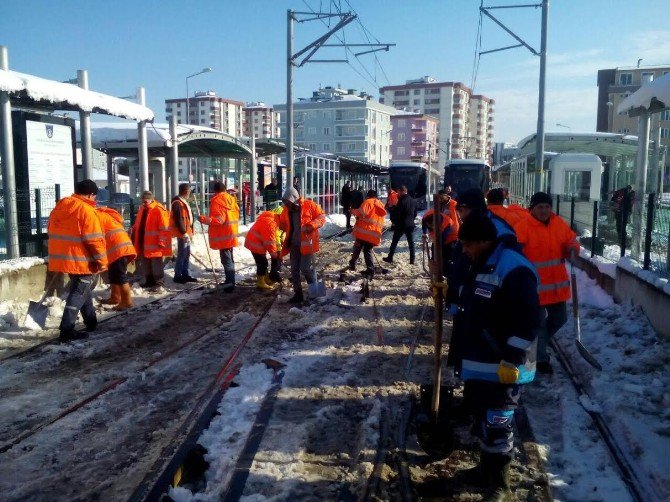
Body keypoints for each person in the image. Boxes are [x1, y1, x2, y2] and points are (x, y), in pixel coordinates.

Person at [453, 212, 541, 500]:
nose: (464, 251)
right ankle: (485, 470)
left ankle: (500, 483)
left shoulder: (513, 268)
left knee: (498, 422)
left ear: (484, 240)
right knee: (482, 418)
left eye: (467, 245)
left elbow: (529, 319)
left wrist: (512, 357)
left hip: (505, 364)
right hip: (483, 362)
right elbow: (474, 302)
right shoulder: (482, 262)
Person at [514, 191, 580, 374]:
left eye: (547, 207)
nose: (544, 210)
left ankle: (539, 344)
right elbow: (515, 252)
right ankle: (539, 360)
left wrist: (573, 249)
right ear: (532, 208)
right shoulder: (523, 227)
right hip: (533, 287)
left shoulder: (558, 223)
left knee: (560, 319)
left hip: (557, 286)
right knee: (539, 324)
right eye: (540, 207)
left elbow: (570, 240)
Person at [47, 179, 107, 341]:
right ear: (91, 194)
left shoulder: (61, 206)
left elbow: (50, 229)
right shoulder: (87, 211)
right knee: (78, 291)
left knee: (82, 289)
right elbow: (94, 240)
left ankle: (91, 321)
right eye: (95, 196)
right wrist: (101, 261)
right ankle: (66, 330)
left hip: (63, 257)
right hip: (82, 259)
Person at [278, 186, 326, 303]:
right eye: (285, 203)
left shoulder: (310, 205)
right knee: (294, 269)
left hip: (307, 243)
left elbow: (322, 217)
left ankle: (313, 290)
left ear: (294, 199)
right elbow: (284, 223)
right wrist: (281, 226)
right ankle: (298, 293)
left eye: (288, 202)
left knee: (305, 268)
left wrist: (311, 225)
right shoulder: (286, 210)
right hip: (294, 243)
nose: (287, 205)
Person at [199, 181, 240, 293]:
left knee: (226, 260)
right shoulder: (231, 199)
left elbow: (219, 220)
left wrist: (204, 219)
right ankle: (230, 280)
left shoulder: (217, 201)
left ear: (215, 190)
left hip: (223, 235)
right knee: (229, 259)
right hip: (231, 233)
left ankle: (230, 284)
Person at [96, 205, 136, 310]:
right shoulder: (105, 215)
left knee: (120, 276)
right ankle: (115, 297)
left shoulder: (96, 216)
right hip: (119, 248)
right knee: (113, 274)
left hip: (119, 249)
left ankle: (127, 302)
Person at [131, 191, 172, 289]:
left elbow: (165, 228)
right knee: (146, 263)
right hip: (144, 242)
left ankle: (159, 283)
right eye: (142, 201)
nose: (143, 203)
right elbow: (138, 224)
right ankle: (149, 281)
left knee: (156, 264)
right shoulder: (143, 209)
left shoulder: (159, 210)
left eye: (145, 201)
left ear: (151, 200)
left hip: (155, 244)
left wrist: (162, 241)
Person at [349, 189, 386, 276]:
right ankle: (370, 269)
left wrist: (353, 211)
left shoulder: (368, 202)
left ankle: (353, 264)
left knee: (357, 248)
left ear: (368, 196)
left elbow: (362, 213)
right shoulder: (380, 204)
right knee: (367, 250)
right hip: (374, 233)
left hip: (364, 232)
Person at [244, 210, 282, 290]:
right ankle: (260, 282)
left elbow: (273, 238)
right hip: (255, 244)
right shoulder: (270, 224)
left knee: (263, 262)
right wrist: (273, 254)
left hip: (254, 241)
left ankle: (265, 278)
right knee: (262, 263)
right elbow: (270, 242)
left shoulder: (272, 219)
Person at [170, 183, 197, 284]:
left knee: (186, 254)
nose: (190, 193)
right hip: (183, 233)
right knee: (182, 254)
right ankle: (178, 275)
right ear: (185, 191)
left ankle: (185, 274)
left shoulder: (183, 201)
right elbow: (179, 219)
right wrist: (184, 232)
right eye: (189, 191)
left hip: (187, 232)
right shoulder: (177, 203)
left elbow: (187, 217)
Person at [384, 186, 417, 264]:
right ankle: (412, 260)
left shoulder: (401, 201)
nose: (397, 193)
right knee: (411, 243)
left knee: (394, 242)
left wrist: (394, 219)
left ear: (402, 191)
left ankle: (390, 257)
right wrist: (411, 220)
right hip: (410, 224)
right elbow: (415, 213)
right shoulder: (413, 201)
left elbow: (397, 213)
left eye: (398, 192)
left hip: (401, 225)